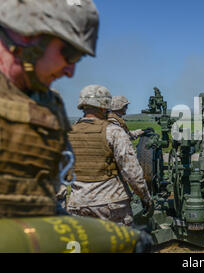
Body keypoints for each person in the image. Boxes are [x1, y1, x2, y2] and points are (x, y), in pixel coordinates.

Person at [0, 0, 99, 217]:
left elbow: (45, 200)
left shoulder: (49, 105)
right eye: (70, 54)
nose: (71, 72)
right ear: (28, 35)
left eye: (78, 59)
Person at [66, 85, 154, 226]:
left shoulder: (69, 133)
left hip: (77, 205)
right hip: (111, 206)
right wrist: (146, 197)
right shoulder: (114, 131)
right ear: (104, 106)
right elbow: (132, 173)